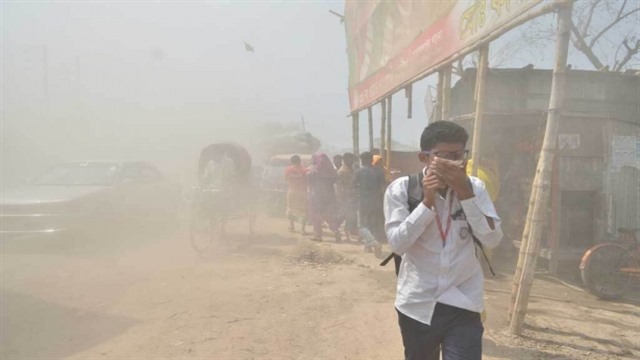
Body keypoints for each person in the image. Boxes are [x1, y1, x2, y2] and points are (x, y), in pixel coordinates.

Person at [384, 121, 502, 360]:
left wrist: (465, 195)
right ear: (424, 158)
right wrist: (427, 203)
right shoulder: (402, 189)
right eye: (443, 157)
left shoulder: (475, 188)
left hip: (464, 301)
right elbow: (398, 244)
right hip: (418, 303)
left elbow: (492, 239)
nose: (452, 163)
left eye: (458, 155)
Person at [354, 151, 386, 255]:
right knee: (372, 225)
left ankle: (374, 243)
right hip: (377, 201)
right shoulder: (379, 171)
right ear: (372, 160)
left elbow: (353, 186)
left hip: (364, 201)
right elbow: (383, 187)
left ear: (362, 160)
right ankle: (368, 247)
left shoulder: (359, 172)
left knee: (362, 225)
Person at [307, 152, 341, 242]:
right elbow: (336, 179)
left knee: (316, 215)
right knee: (327, 215)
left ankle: (317, 235)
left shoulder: (313, 170)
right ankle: (335, 231)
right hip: (330, 196)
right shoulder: (331, 170)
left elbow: (309, 180)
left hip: (317, 195)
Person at [336, 152, 358, 240]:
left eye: (352, 159)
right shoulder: (341, 171)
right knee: (344, 215)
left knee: (350, 216)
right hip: (344, 197)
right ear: (344, 160)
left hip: (352, 197)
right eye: (350, 159)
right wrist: (343, 197)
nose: (352, 161)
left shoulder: (352, 170)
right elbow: (339, 186)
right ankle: (335, 228)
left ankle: (348, 233)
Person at [285, 155, 308, 234]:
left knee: (291, 208)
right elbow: (307, 180)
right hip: (302, 192)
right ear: (300, 161)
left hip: (291, 191)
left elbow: (285, 179)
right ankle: (302, 229)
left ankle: (292, 226)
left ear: (291, 161)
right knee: (303, 210)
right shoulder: (304, 170)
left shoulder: (288, 169)